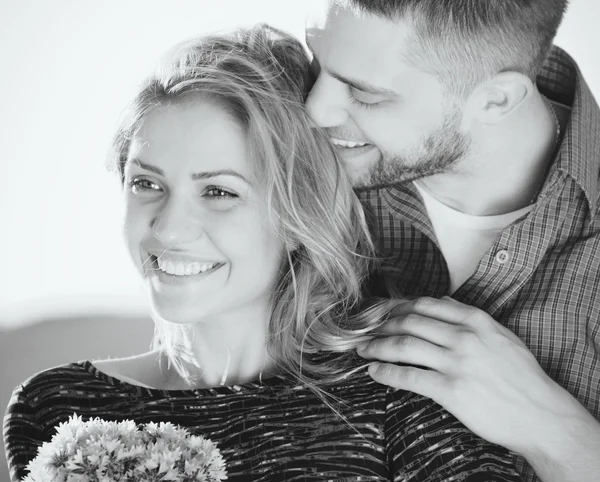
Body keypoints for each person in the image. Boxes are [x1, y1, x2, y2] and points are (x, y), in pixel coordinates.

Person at [3, 24, 522, 482]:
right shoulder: (56, 406)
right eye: (146, 183)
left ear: (300, 213)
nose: (170, 228)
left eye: (219, 192)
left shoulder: (401, 402)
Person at [304, 1, 600, 482]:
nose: (314, 109)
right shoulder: (288, 169)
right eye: (318, 61)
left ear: (496, 100)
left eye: (365, 92)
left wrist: (555, 432)